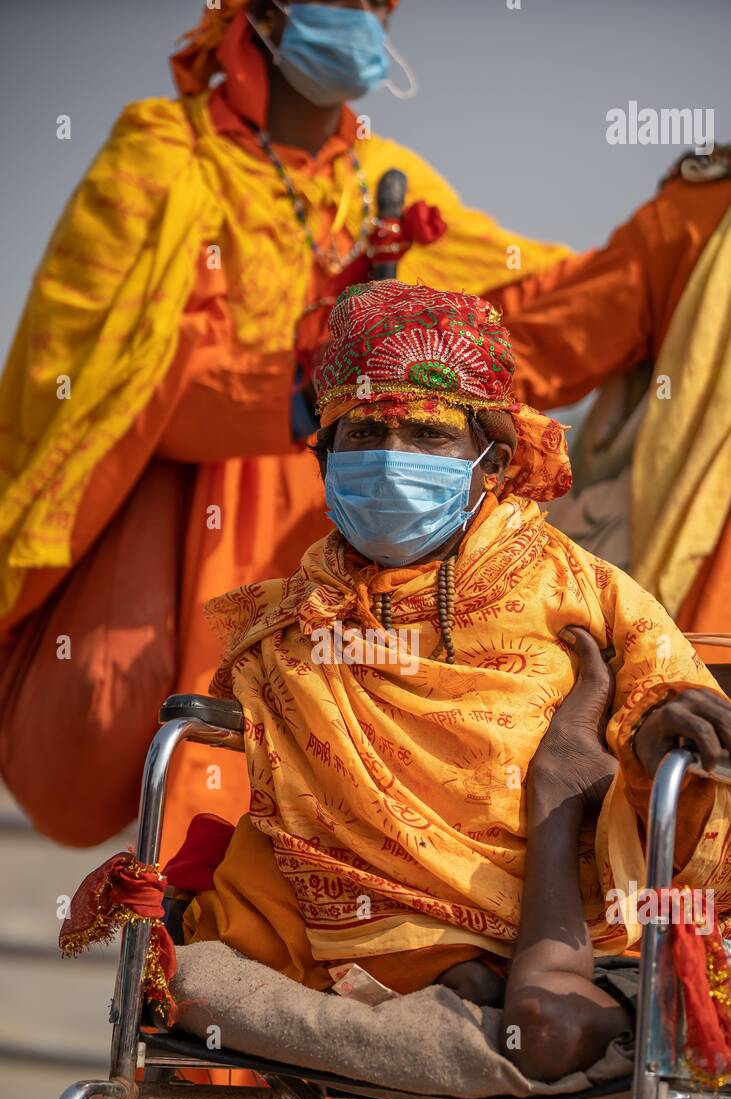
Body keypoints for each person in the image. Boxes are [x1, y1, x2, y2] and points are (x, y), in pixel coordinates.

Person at [0, 0, 570, 854]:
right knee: (189, 782)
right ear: (261, 15)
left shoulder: (388, 176)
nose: (363, 23)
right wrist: (301, 393)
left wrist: (670, 238)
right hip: (198, 517)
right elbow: (97, 371)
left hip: (353, 515)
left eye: (374, 7)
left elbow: (528, 306)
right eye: (339, 6)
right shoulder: (163, 153)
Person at [184, 279, 731, 1051]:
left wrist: (649, 729)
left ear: (492, 459)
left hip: (570, 913)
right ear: (324, 459)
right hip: (358, 921)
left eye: (428, 436)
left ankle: (502, 978)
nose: (389, 459)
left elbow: (657, 683)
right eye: (363, 431)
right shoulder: (289, 623)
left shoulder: (572, 584)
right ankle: (440, 964)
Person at [490, 146, 731, 664]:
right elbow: (551, 348)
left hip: (696, 617)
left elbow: (552, 348)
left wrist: (420, 373)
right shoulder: (695, 213)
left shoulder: (698, 209)